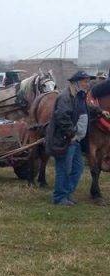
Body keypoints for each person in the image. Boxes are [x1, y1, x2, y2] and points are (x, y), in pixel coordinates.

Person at [45, 71, 94, 205]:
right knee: (64, 169)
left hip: (74, 140)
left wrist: (100, 111)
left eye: (87, 81)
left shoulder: (78, 96)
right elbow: (62, 117)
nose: (87, 84)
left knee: (78, 168)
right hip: (65, 140)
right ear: (75, 83)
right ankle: (59, 197)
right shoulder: (65, 97)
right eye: (84, 81)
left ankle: (66, 193)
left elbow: (86, 109)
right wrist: (72, 134)